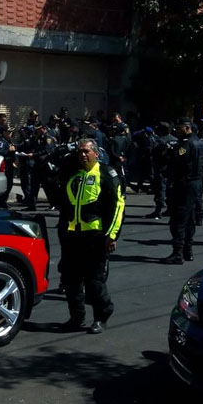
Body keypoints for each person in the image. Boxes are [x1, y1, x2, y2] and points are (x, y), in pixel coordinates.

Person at [58, 139, 123, 334]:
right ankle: (76, 318)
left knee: (94, 281)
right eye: (80, 152)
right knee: (71, 280)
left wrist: (111, 235)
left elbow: (118, 206)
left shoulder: (107, 174)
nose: (83, 155)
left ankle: (101, 316)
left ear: (96, 153)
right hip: (72, 236)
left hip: (95, 237)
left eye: (86, 151)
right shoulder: (72, 172)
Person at [161, 118, 203, 264]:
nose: (176, 131)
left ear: (186, 128)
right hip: (196, 183)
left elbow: (177, 161)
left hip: (185, 183)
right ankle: (188, 250)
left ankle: (178, 253)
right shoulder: (200, 142)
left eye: (179, 128)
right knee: (190, 217)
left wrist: (169, 153)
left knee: (178, 218)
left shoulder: (186, 143)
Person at [146, 122, 177, 219]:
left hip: (161, 168)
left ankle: (158, 210)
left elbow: (153, 153)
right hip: (172, 168)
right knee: (170, 189)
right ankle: (170, 209)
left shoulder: (160, 141)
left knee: (160, 189)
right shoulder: (176, 140)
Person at [106, 121, 132, 192]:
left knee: (113, 176)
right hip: (123, 160)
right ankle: (123, 191)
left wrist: (118, 157)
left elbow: (111, 152)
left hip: (114, 162)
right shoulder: (126, 139)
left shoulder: (113, 140)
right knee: (122, 176)